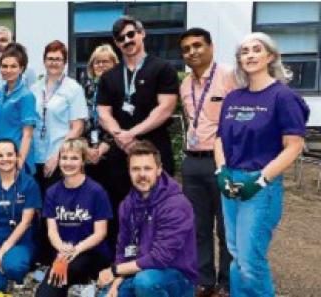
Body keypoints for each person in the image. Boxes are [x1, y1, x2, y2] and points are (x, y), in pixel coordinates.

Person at [215, 32, 309, 297]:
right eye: (244, 51)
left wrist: (260, 180)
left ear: (270, 56)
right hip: (231, 182)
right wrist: (221, 171)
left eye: (257, 49)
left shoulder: (283, 97)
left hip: (260, 186)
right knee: (235, 257)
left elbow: (294, 146)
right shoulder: (233, 98)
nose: (250, 55)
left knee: (250, 262)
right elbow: (220, 139)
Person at [96, 16, 179, 253]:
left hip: (155, 151)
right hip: (119, 154)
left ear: (142, 34)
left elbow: (165, 109)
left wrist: (132, 134)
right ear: (116, 43)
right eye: (121, 38)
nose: (127, 41)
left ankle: (154, 261)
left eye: (131, 34)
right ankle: (120, 264)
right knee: (118, 207)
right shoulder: (109, 76)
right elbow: (103, 112)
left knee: (156, 208)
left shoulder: (162, 69)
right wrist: (119, 135)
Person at [96, 141, 197, 297]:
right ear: (128, 171)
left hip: (174, 276)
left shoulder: (176, 204)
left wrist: (115, 270)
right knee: (107, 294)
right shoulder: (127, 205)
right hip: (138, 271)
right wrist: (116, 282)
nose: (141, 174)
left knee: (145, 283)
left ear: (159, 169)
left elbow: (160, 258)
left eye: (147, 168)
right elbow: (123, 249)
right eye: (135, 169)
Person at [178, 27, 236, 297]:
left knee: (226, 227)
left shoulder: (228, 76)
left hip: (223, 161)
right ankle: (204, 280)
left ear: (211, 46)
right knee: (197, 226)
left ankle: (226, 283)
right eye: (187, 49)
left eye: (198, 45)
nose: (192, 52)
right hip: (193, 161)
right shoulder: (185, 84)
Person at [34, 138, 112, 297]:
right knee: (44, 294)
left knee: (73, 268)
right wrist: (62, 248)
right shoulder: (52, 192)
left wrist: (76, 249)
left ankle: (88, 282)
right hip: (63, 252)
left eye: (74, 158)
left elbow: (100, 233)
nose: (68, 163)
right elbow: (52, 230)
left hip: (90, 251)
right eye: (64, 158)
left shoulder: (97, 191)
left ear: (83, 161)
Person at [0, 139, 42, 295]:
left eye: (9, 154)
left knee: (14, 267)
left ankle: (11, 271)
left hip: (18, 240)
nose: (5, 159)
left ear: (17, 156)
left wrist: (3, 250)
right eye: (0, 155)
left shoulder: (29, 183)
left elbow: (26, 222)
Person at [32, 40, 87, 190]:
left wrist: (57, 156)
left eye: (58, 59)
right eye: (50, 58)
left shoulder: (73, 89)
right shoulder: (34, 88)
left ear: (65, 62)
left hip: (59, 157)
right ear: (44, 61)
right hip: (35, 156)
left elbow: (77, 128)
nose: (54, 63)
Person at [0, 43, 37, 175]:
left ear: (21, 69)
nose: (8, 70)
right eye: (4, 66)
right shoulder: (0, 92)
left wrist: (19, 163)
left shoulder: (26, 96)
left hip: (17, 159)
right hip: (1, 158)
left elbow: (27, 134)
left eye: (13, 66)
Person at [79, 45, 118, 193]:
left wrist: (103, 148)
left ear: (114, 64)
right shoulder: (83, 88)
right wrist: (86, 148)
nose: (100, 65)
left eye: (105, 61)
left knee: (111, 194)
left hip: (112, 148)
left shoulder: (120, 89)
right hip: (86, 150)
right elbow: (77, 120)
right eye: (97, 62)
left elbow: (122, 121)